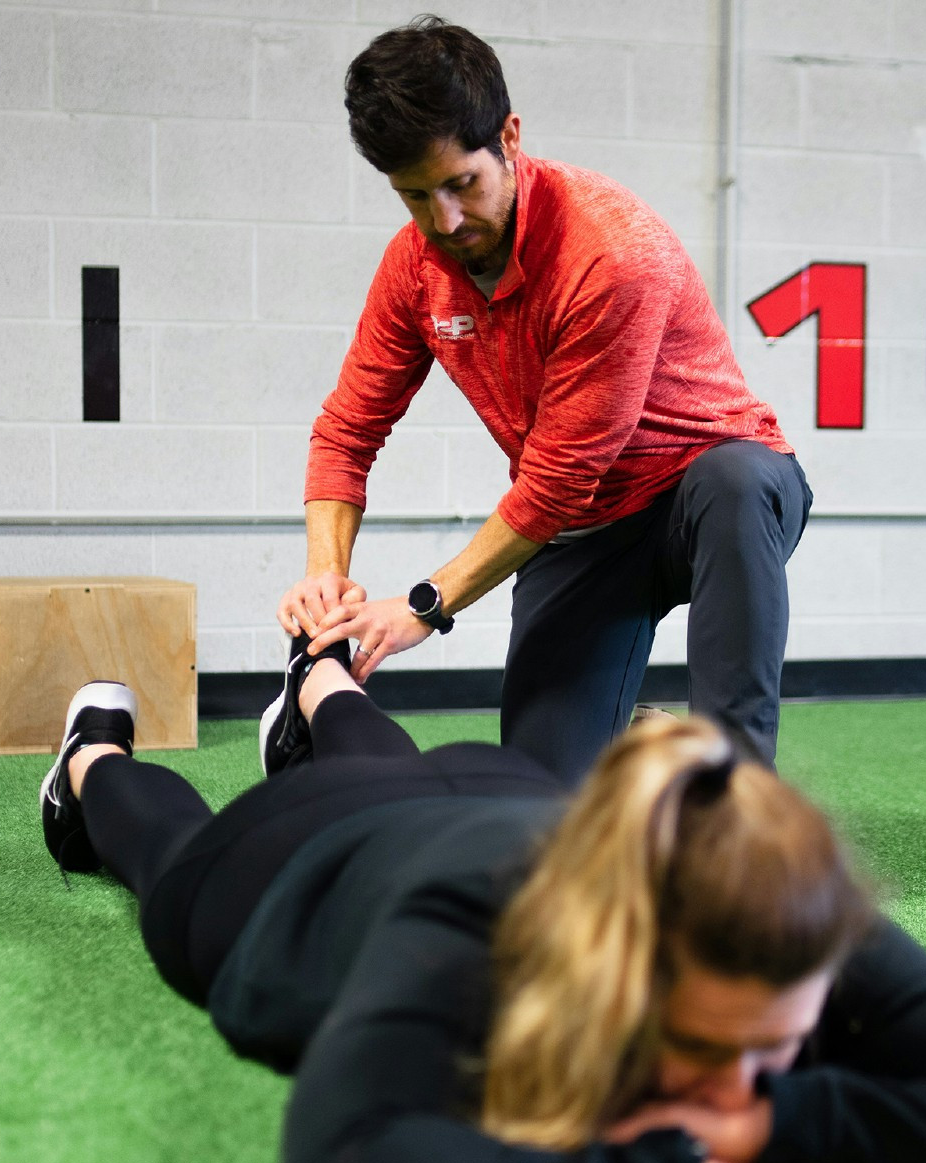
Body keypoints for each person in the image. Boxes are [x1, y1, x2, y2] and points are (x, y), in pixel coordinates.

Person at [38, 653, 926, 1163]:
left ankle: (322, 680)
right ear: (615, 953)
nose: (746, 1080)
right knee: (165, 854)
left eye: (779, 1044)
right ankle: (92, 756)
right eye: (707, 1047)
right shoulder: (474, 927)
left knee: (397, 763)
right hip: (291, 863)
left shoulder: (784, 907)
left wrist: (762, 1126)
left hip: (496, 786)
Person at [276, 16, 813, 782]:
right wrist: (324, 572)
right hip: (587, 533)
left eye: (463, 184)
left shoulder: (612, 253)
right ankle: (641, 741)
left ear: (511, 138)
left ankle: (739, 793)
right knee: (541, 793)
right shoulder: (416, 267)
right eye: (415, 196)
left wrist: (425, 604)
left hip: (704, 497)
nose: (445, 221)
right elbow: (346, 430)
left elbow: (560, 476)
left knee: (736, 480)